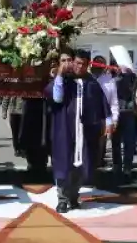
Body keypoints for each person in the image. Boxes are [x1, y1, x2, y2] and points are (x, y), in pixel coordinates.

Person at [46, 48, 109, 212]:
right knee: (63, 163)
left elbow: (101, 106)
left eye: (84, 64)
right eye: (77, 63)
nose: (80, 67)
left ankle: (73, 196)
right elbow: (56, 97)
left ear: (88, 65)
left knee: (81, 166)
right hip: (65, 130)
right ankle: (62, 199)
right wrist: (59, 74)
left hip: (85, 132)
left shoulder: (91, 83)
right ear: (72, 62)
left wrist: (107, 123)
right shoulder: (63, 80)